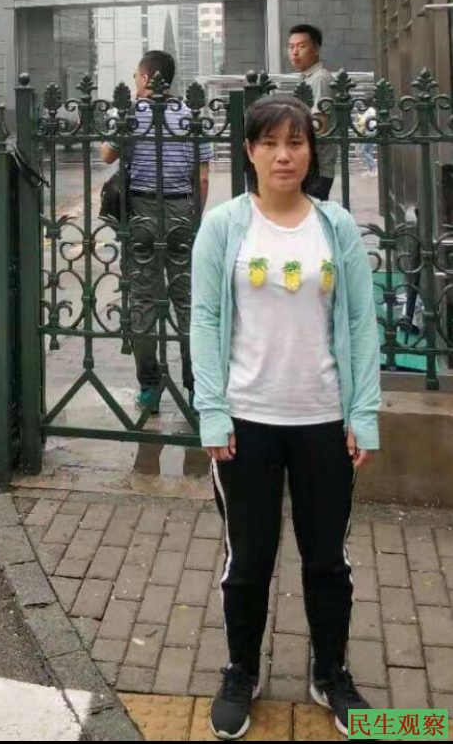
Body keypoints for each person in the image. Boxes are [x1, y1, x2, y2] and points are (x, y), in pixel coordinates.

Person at [190, 94, 380, 741]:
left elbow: (361, 322)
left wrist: (363, 414)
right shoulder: (224, 227)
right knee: (248, 559)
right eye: (270, 143)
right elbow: (204, 321)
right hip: (246, 423)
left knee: (327, 560)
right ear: (249, 151)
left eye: (295, 143)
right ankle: (241, 670)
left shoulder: (336, 227)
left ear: (310, 151)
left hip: (324, 420)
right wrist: (212, 413)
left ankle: (331, 672)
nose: (283, 156)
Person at [101, 50, 213, 412]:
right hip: (182, 210)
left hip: (142, 212)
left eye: (136, 77)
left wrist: (122, 121)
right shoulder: (192, 115)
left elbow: (106, 155)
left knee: (143, 301)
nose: (134, 82)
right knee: (187, 301)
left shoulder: (132, 114)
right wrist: (194, 218)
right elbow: (203, 176)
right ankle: (196, 388)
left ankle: (150, 389)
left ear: (147, 79)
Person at [288, 23, 336, 200]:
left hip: (316, 169)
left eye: (301, 46)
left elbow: (319, 126)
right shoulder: (307, 79)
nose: (294, 52)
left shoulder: (320, 78)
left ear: (316, 49)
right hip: (308, 166)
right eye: (291, 47)